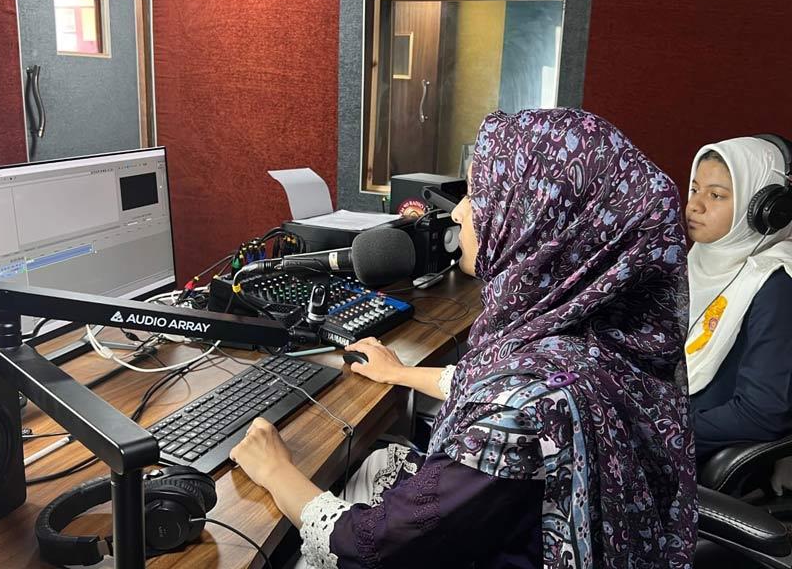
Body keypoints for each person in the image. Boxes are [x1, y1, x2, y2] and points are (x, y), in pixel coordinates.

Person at [230, 108, 696, 568]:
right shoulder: (597, 332)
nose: (457, 211)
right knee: (374, 462)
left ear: (537, 223)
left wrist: (276, 470)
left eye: (477, 195)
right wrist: (401, 374)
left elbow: (372, 547)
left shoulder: (519, 413)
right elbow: (496, 384)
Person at [686, 137, 792, 463]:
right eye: (694, 189)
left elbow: (762, 413)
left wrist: (661, 432)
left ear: (765, 210)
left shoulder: (777, 286)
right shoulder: (694, 259)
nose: (695, 205)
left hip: (688, 448)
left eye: (716, 195)